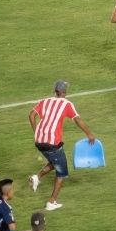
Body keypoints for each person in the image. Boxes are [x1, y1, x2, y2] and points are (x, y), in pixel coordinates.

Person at [29, 80, 96, 210]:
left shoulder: (45, 101)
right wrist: (90, 134)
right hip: (52, 144)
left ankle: (36, 177)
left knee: (54, 162)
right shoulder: (67, 104)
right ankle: (51, 202)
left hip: (39, 142)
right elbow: (78, 120)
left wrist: (36, 131)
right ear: (64, 92)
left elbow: (31, 115)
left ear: (55, 91)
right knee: (61, 172)